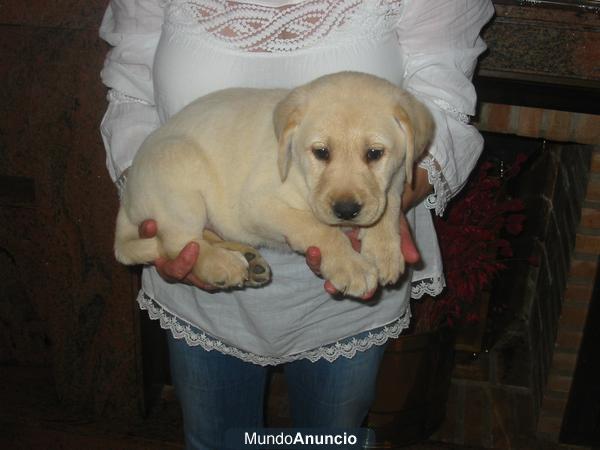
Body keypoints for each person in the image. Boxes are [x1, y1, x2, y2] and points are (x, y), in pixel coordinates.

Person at [99, 1, 494, 448]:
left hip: (345, 304)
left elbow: (441, 104)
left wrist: (386, 210)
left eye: (372, 154)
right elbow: (132, 92)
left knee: (329, 441)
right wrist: (157, 212)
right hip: (201, 279)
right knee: (216, 441)